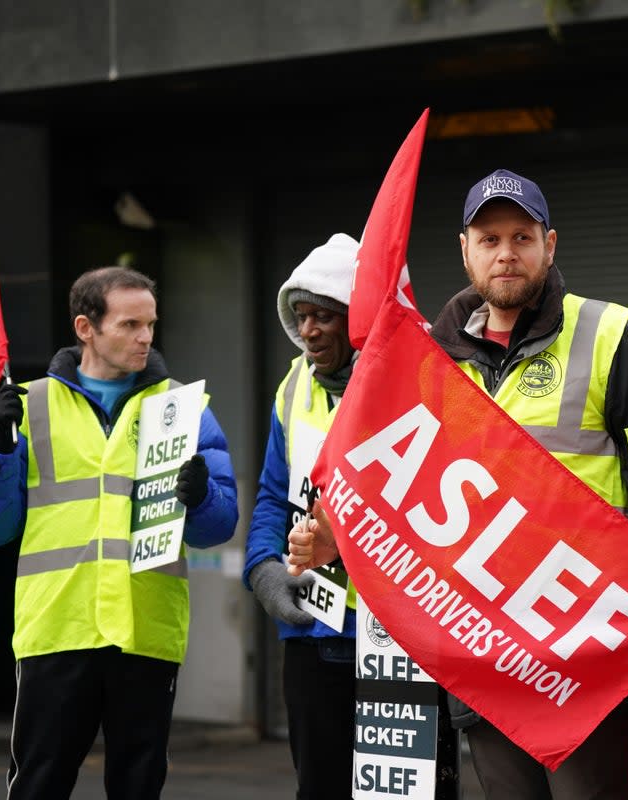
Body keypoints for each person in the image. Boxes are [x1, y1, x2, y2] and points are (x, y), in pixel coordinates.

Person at [290, 169, 628, 799]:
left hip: (583, 647)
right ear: (464, 249)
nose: (506, 253)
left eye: (522, 237)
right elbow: (404, 500)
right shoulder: (431, 358)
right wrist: (339, 541)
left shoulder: (609, 337)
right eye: (488, 239)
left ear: (551, 244)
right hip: (483, 648)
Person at [0, 266, 239, 800]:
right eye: (130, 324)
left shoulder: (182, 408)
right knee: (39, 784)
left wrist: (202, 496)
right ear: (86, 328)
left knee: (138, 787)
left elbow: (217, 528)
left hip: (146, 631)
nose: (146, 337)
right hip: (56, 628)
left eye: (151, 324)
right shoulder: (27, 405)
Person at [243, 233, 361, 799]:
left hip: (396, 636)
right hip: (312, 630)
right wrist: (264, 570)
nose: (310, 330)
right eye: (302, 316)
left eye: (325, 317)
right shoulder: (294, 385)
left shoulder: (407, 381)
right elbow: (271, 495)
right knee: (319, 789)